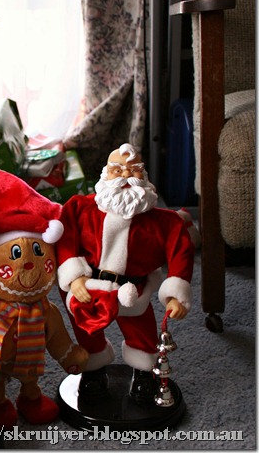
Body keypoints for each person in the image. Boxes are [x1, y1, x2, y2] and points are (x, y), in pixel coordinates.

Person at [55, 143, 195, 405]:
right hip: (90, 287)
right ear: (105, 174)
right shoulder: (79, 208)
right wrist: (74, 277)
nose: (126, 176)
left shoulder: (164, 222)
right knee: (87, 333)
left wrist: (175, 294)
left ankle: (144, 373)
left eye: (134, 170)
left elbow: (181, 250)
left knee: (142, 333)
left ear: (144, 174)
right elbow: (65, 239)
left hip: (134, 291)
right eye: (117, 170)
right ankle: (94, 371)